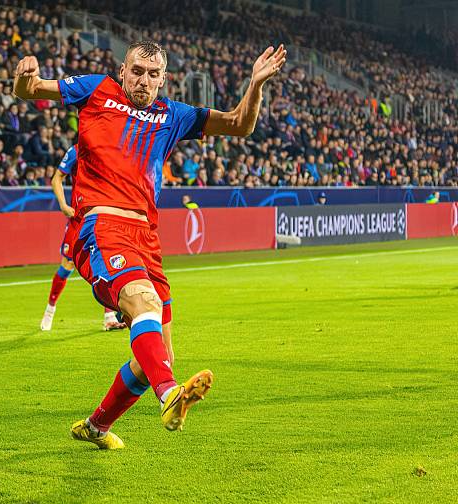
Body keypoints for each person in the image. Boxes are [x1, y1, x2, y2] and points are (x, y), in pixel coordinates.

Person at [14, 39, 285, 447]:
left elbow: (239, 124)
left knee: (154, 358)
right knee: (144, 304)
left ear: (163, 79)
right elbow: (30, 91)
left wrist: (255, 85)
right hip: (102, 226)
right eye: (137, 71)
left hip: (147, 238)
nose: (143, 80)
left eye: (152, 74)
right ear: (123, 72)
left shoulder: (172, 116)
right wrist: (24, 78)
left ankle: (96, 426)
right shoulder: (95, 89)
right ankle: (171, 395)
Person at [41, 145, 126, 332]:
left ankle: (109, 317)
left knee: (104, 264)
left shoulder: (108, 150)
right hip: (78, 219)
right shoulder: (76, 151)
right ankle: (50, 309)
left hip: (100, 216)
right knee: (67, 266)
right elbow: (57, 178)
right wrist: (63, 204)